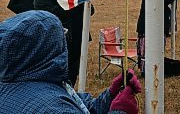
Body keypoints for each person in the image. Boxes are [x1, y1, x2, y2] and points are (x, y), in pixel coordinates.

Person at [0, 10, 141, 114]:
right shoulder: (54, 107)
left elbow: (78, 106)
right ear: (49, 48)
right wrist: (121, 111)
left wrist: (110, 95)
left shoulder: (18, 82)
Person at [33, 0, 90, 87]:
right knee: (58, 73)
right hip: (57, 41)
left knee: (73, 72)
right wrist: (72, 4)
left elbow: (89, 10)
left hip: (77, 39)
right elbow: (48, 14)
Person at [136, 0, 180, 77]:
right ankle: (146, 71)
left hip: (158, 24)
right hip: (148, 25)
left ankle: (154, 68)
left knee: (157, 48)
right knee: (147, 49)